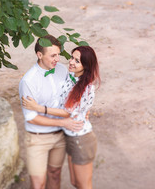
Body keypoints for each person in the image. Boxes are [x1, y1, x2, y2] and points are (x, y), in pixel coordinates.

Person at [22, 46, 100, 189]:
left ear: (86, 66)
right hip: (70, 137)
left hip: (81, 138)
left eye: (77, 61)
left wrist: (39, 108)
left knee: (83, 185)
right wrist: (84, 111)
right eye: (72, 57)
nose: (71, 62)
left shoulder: (86, 87)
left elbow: (67, 112)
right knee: (74, 182)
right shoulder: (71, 77)